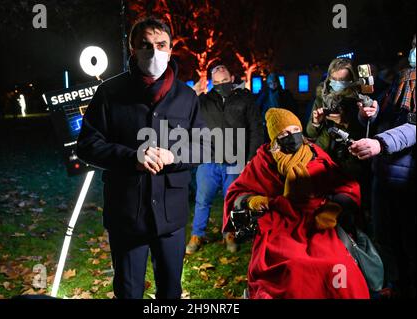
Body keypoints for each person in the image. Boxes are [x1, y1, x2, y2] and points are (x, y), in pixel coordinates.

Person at [76, 17, 207, 299]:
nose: (154, 52)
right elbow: (87, 144)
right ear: (132, 48)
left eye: (161, 45)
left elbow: (205, 146)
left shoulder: (186, 96)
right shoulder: (110, 92)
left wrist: (174, 155)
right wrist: (131, 157)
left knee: (170, 291)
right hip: (126, 214)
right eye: (145, 45)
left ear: (171, 49)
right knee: (128, 291)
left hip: (171, 216)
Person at [223, 108, 370, 299]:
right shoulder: (263, 161)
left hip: (318, 221)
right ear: (275, 138)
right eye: (284, 133)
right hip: (278, 223)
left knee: (336, 264)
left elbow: (345, 185)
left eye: (294, 129)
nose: (291, 136)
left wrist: (335, 208)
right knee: (291, 266)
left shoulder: (316, 154)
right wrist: (251, 200)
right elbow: (237, 192)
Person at [348, 35, 416, 298]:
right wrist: (371, 112)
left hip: (409, 181)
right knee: (385, 239)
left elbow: (413, 127)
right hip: (383, 176)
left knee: (410, 242)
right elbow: (382, 118)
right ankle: (392, 286)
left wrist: (380, 144)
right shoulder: (400, 81)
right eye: (413, 46)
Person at [186, 64, 264, 255]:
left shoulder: (245, 99)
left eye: (224, 81)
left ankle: (229, 233)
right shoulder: (204, 100)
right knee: (203, 199)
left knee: (233, 200)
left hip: (235, 159)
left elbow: (256, 129)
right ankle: (197, 234)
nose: (221, 85)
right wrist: (191, 92)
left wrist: (251, 157)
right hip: (209, 159)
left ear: (231, 79)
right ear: (213, 82)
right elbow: (181, 110)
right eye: (217, 82)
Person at [306, 58, 379, 230]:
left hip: (352, 164)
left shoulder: (361, 101)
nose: (338, 84)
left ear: (352, 80)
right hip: (325, 160)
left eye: (343, 81)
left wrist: (345, 123)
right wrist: (316, 122)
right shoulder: (320, 99)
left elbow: (367, 135)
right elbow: (309, 133)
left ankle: (354, 240)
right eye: (335, 80)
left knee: (350, 209)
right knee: (325, 208)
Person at [256, 73, 297, 141]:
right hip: (268, 123)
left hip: (283, 123)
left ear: (278, 82)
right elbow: (257, 108)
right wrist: (262, 120)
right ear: (268, 84)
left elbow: (292, 108)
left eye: (274, 82)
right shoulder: (265, 95)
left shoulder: (285, 94)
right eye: (270, 83)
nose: (273, 84)